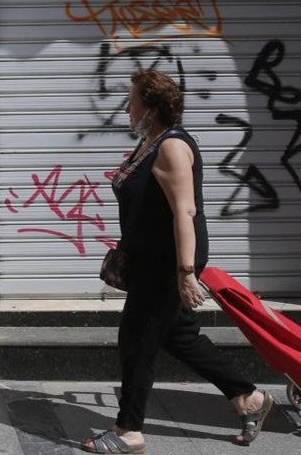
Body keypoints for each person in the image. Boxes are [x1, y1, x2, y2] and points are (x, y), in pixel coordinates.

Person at [81, 69, 274, 454]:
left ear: (151, 108)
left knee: (136, 340)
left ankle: (128, 432)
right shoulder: (150, 142)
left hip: (167, 260)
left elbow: (184, 213)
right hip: (150, 255)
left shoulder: (170, 147)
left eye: (133, 100)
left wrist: (186, 274)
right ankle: (248, 398)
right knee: (178, 334)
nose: (127, 107)